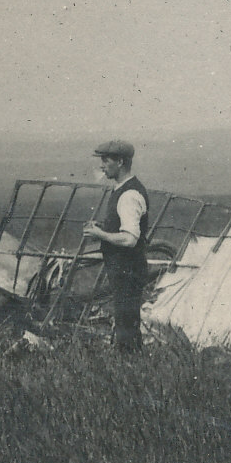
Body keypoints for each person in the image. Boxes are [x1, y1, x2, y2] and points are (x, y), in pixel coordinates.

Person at [81, 140, 149, 352]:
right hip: (123, 269)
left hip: (127, 269)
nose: (102, 166)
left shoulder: (129, 195)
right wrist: (104, 229)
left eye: (105, 160)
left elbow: (129, 239)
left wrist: (100, 233)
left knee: (126, 325)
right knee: (126, 323)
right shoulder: (122, 190)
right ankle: (131, 367)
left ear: (120, 162)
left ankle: (130, 368)